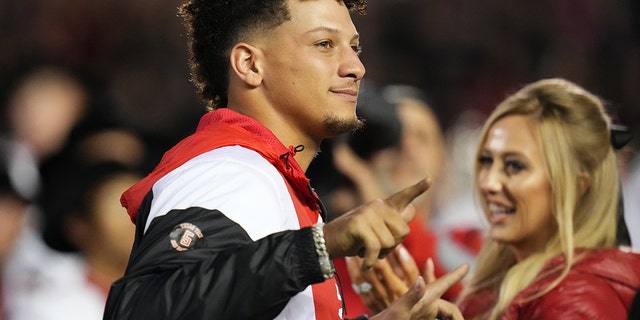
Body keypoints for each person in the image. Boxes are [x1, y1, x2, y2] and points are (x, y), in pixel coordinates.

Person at [103, 0, 468, 319]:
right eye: (324, 44)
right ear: (249, 64)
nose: (356, 67)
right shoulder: (228, 170)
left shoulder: (268, 175)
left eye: (355, 48)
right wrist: (318, 247)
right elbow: (144, 311)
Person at [456, 78, 640, 319]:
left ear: (577, 185)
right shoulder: (510, 281)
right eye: (487, 161)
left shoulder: (573, 303)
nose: (488, 182)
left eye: (514, 165)